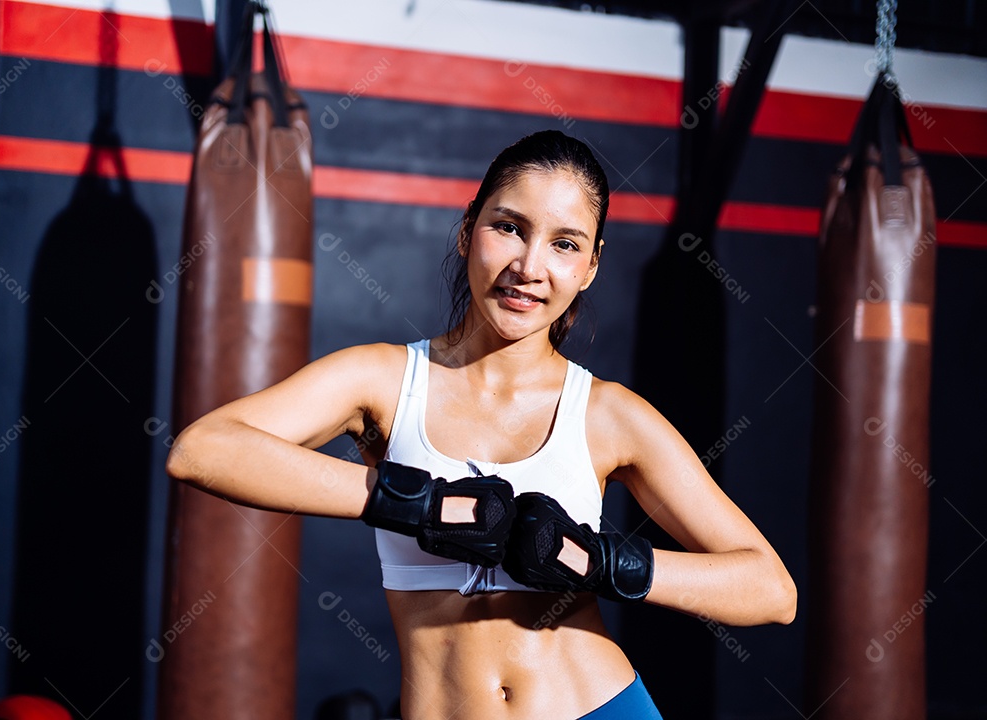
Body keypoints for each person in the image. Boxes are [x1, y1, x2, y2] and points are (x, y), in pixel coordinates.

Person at [166, 130, 796, 719]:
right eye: (509, 228)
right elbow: (202, 450)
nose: (529, 265)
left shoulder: (607, 413)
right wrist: (422, 506)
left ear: (591, 267)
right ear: (469, 230)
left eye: (565, 244)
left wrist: (600, 561)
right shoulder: (384, 381)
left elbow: (771, 590)